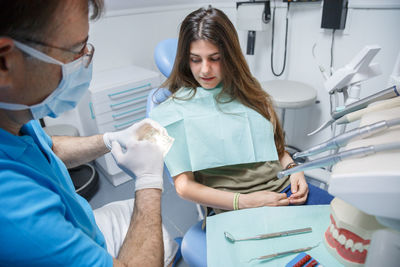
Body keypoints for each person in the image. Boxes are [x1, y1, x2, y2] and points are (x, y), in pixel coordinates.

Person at [0, 1, 177, 266]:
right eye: (75, 50)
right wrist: (149, 182)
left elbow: (49, 149)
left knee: (151, 225)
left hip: (85, 226)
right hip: (68, 239)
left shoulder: (13, 114)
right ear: (5, 62)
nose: (85, 60)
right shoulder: (14, 213)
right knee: (164, 244)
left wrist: (110, 139)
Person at [150, 6, 334, 215]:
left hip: (284, 191)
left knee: (349, 225)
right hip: (237, 207)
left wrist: (294, 170)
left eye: (214, 58)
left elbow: (276, 147)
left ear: (229, 56)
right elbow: (184, 186)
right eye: (196, 59)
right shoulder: (171, 112)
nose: (205, 69)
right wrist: (246, 202)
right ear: (186, 59)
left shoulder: (247, 90)